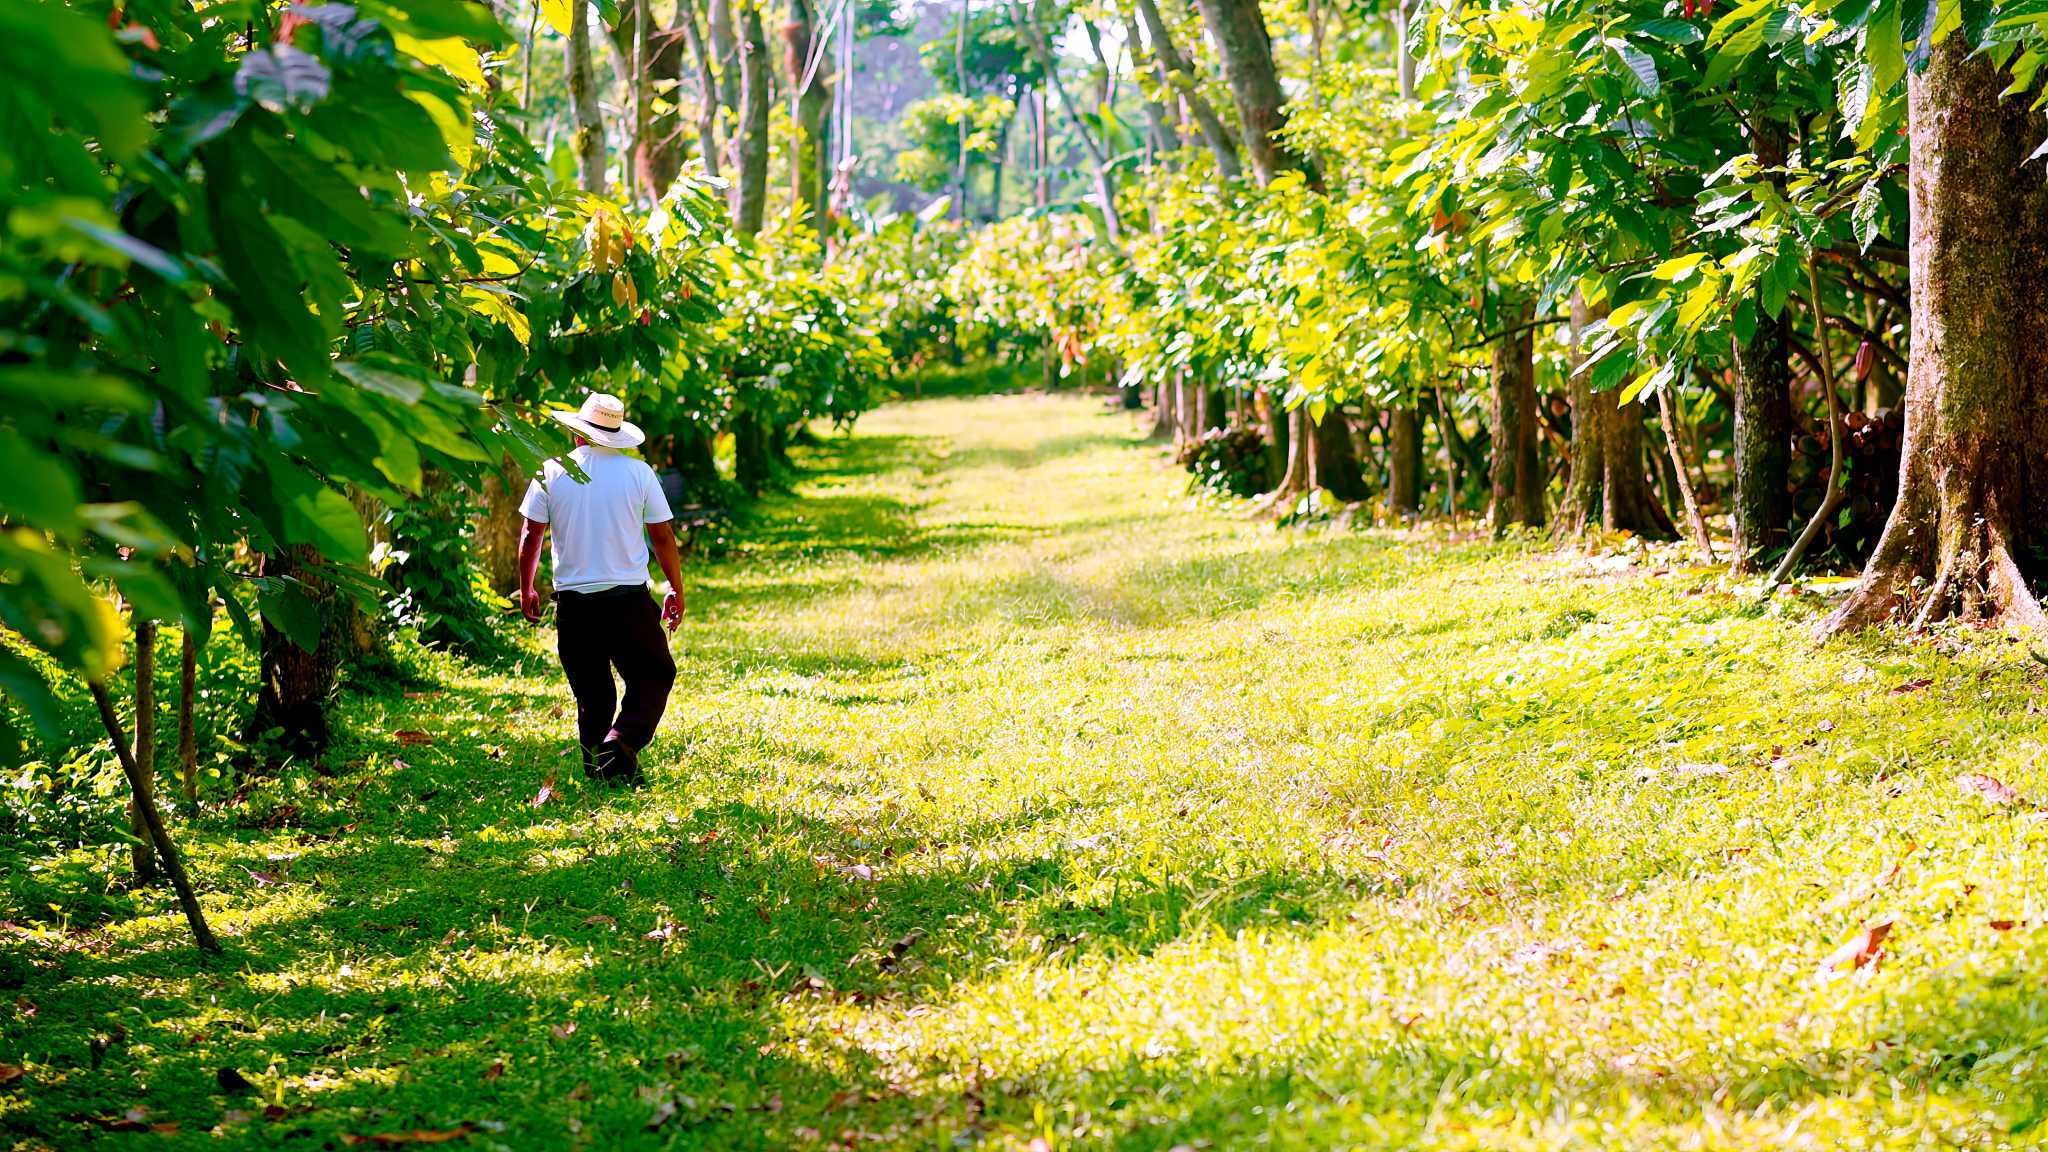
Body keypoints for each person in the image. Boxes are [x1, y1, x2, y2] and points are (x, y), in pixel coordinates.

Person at [516, 392, 685, 787]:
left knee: (592, 692)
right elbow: (661, 535)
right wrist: (675, 588)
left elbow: (530, 534)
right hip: (628, 601)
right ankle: (621, 743)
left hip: (574, 604)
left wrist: (526, 588)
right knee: (654, 673)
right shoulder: (638, 473)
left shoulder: (551, 471)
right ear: (617, 435)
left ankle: (601, 764)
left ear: (577, 434)